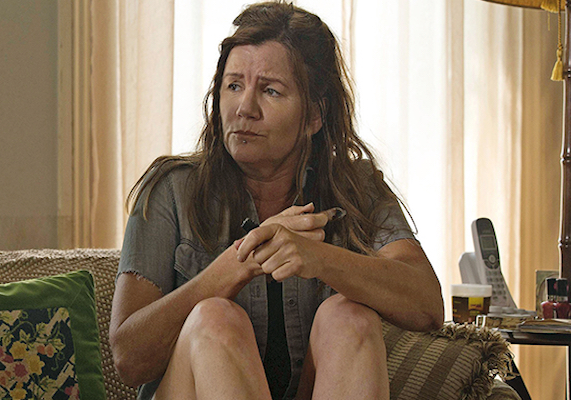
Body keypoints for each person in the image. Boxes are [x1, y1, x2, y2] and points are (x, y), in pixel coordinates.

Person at [109, 2, 444, 399]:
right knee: (215, 318)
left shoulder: (356, 187)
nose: (244, 109)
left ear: (314, 115)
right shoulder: (170, 189)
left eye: (270, 90)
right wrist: (234, 267)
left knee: (348, 317)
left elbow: (427, 306)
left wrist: (319, 258)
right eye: (234, 86)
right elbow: (128, 358)